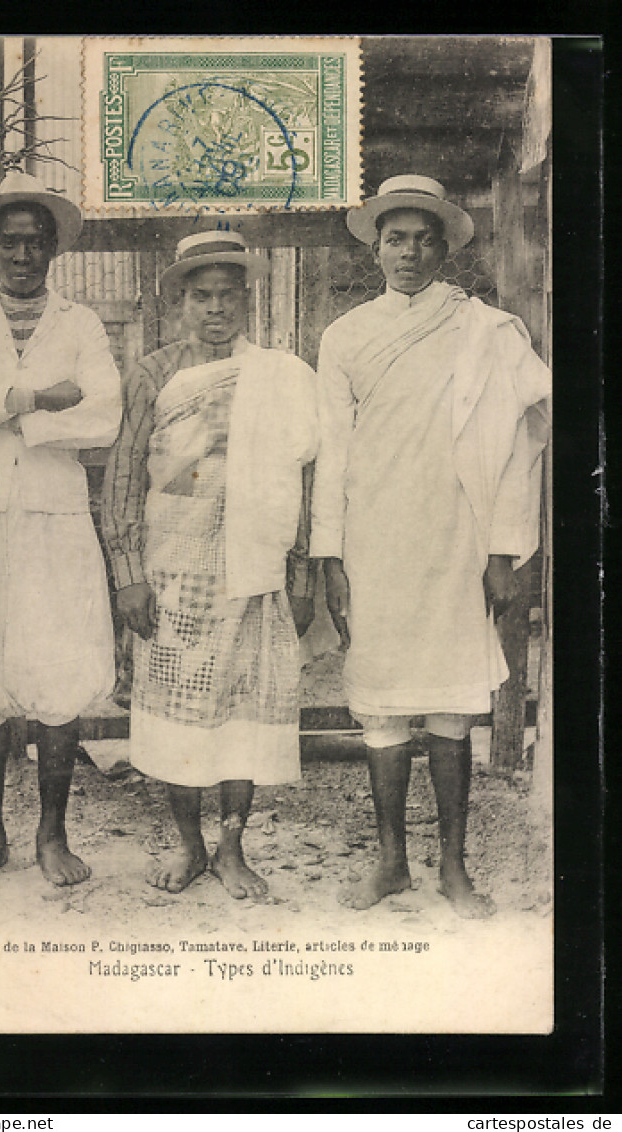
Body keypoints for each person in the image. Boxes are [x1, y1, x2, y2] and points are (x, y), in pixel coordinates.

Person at [310, 175, 551, 917]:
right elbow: (333, 452)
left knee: (450, 709)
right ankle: (391, 864)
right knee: (382, 709)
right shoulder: (345, 336)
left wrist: (503, 549)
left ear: (444, 248)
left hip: (456, 535)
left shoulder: (485, 329)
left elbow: (524, 439)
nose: (409, 252)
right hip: (375, 538)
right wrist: (330, 557)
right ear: (376, 249)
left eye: (422, 239)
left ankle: (453, 867)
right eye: (395, 239)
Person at [102, 230, 317, 900]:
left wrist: (301, 574)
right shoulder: (153, 373)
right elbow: (121, 478)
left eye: (229, 295)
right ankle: (190, 843)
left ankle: (231, 848)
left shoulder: (279, 374)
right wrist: (128, 574)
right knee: (175, 716)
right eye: (202, 296)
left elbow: (300, 478)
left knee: (244, 717)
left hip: (254, 569)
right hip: (173, 568)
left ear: (247, 299)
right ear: (178, 300)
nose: (216, 308)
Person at [0, 171, 122, 890]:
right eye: (11, 243)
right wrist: (39, 397)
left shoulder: (81, 325)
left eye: (37, 243)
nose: (23, 256)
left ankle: (52, 835)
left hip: (53, 516)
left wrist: (2, 408)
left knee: (57, 670)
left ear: (54, 250)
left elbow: (102, 414)